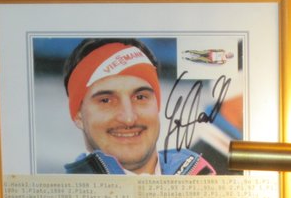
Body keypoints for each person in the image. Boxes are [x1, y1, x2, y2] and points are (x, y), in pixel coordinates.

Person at [61, 38, 216, 176]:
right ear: (78, 115)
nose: (129, 118)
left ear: (157, 105)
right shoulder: (69, 197)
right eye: (106, 100)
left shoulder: (201, 175)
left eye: (140, 97)